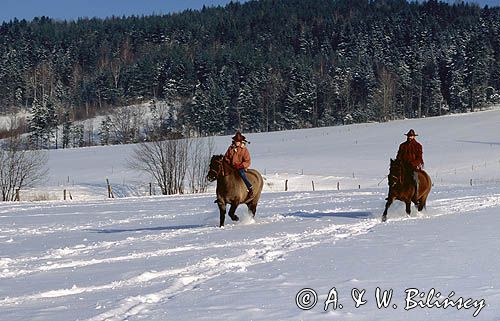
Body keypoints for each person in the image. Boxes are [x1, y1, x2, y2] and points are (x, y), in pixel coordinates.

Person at [396, 129, 424, 198]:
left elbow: (419, 158)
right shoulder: (402, 145)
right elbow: (399, 156)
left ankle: (416, 195)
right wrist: (398, 162)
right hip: (403, 166)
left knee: (415, 178)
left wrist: (413, 163)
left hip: (413, 167)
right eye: (408, 136)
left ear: (414, 137)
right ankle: (392, 194)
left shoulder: (418, 146)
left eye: (411, 136)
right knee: (394, 177)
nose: (409, 137)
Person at [224, 131, 253, 196]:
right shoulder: (231, 148)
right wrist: (228, 162)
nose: (237, 142)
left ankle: (249, 187)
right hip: (231, 167)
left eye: (238, 141)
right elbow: (226, 157)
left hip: (240, 167)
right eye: (236, 141)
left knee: (242, 174)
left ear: (241, 142)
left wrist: (241, 165)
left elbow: (247, 160)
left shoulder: (244, 150)